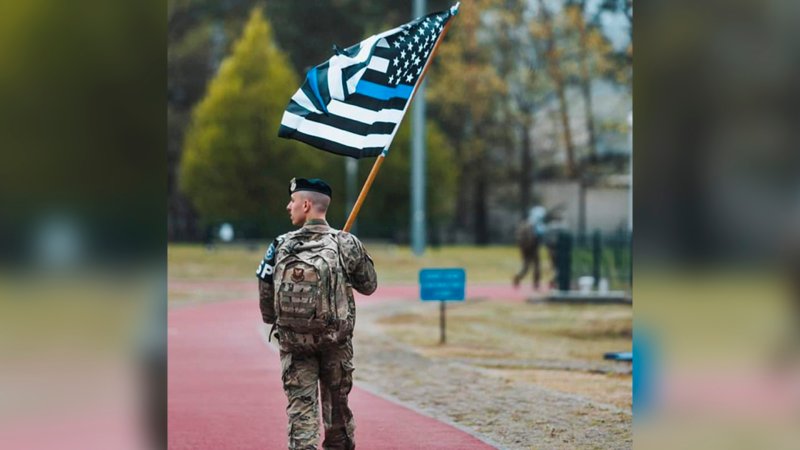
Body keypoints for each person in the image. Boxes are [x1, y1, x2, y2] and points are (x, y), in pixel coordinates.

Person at [256, 177, 377, 450]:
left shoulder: (280, 244)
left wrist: (276, 321)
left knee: (301, 409)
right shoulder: (345, 243)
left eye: (293, 201)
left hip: (295, 342)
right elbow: (369, 285)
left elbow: (265, 287)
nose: (289, 206)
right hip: (336, 341)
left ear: (307, 204)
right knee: (337, 410)